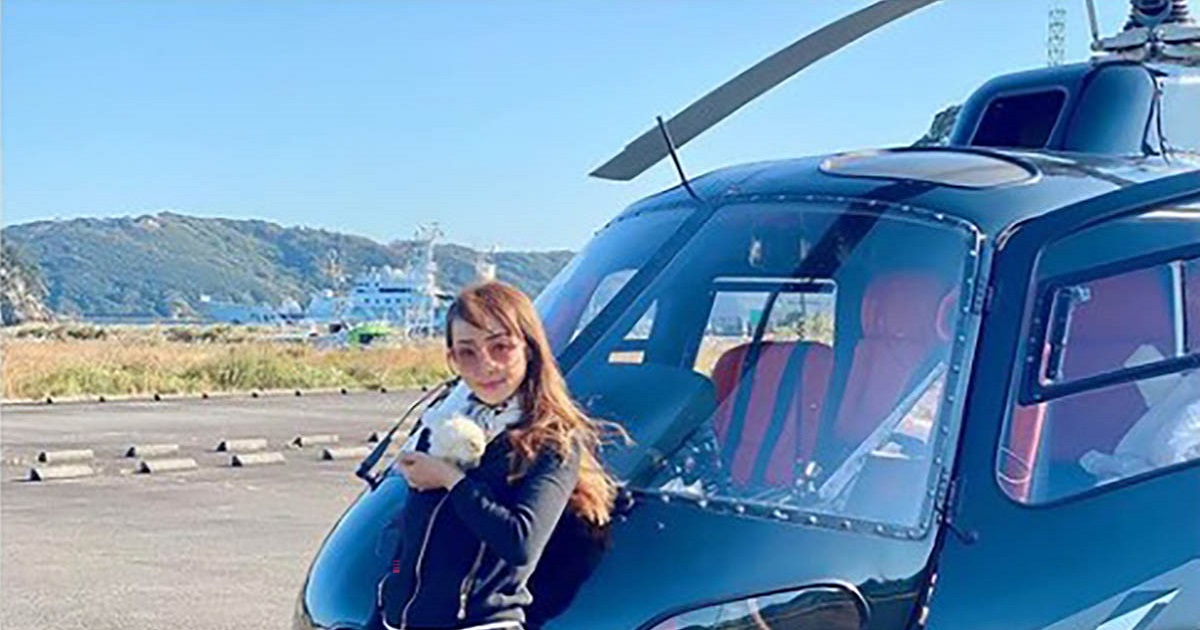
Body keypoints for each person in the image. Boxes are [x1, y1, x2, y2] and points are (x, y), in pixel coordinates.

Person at [378, 281, 623, 630]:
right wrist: (386, 601)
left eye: (501, 347)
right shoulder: (441, 428)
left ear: (530, 349)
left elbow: (520, 542)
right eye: (467, 352)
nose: (486, 365)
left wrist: (452, 480)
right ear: (452, 359)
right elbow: (408, 544)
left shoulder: (553, 443)